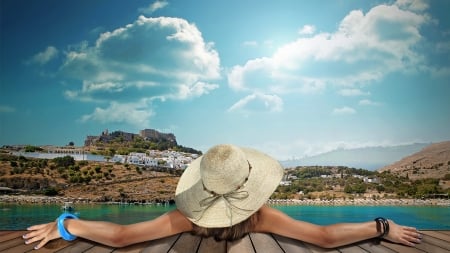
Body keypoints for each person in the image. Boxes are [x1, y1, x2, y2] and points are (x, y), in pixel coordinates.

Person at [23, 144, 422, 250]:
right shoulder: (260, 216)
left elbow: (124, 237)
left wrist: (68, 225)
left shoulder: (187, 218)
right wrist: (381, 227)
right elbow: (323, 237)